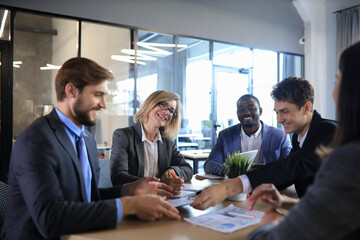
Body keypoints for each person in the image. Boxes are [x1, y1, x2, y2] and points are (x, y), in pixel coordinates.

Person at [1, 57, 180, 240]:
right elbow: (50, 218)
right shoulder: (36, 140)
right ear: (71, 90)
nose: (103, 104)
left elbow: (87, 198)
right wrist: (129, 206)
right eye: (97, 94)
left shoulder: (86, 139)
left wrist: (128, 190)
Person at [247, 41, 360, 240]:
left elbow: (295, 166)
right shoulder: (298, 136)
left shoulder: (337, 144)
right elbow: (333, 205)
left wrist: (268, 226)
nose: (334, 93)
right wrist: (284, 201)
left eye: (337, 81)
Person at [191, 76, 336, 210]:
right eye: (277, 112)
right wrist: (259, 188)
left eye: (284, 112)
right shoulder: (298, 136)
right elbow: (289, 174)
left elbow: (292, 167)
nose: (279, 120)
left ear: (306, 107)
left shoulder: (327, 131)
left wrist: (231, 187)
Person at [110, 90, 193, 194]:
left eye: (171, 110)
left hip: (162, 198)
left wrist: (173, 171)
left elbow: (188, 169)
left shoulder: (167, 141)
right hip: (133, 199)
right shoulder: (123, 136)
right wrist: (159, 184)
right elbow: (118, 177)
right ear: (151, 104)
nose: (167, 112)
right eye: (163, 104)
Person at [204, 94, 291, 176]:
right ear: (237, 113)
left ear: (260, 111)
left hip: (269, 186)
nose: (246, 112)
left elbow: (288, 166)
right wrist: (230, 171)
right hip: (236, 187)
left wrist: (265, 170)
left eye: (251, 108)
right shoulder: (225, 135)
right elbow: (210, 163)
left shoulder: (280, 136)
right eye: (241, 110)